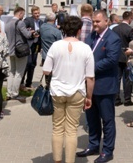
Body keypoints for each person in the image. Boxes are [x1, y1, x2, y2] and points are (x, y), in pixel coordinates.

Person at [43, 16, 94, 163]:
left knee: (58, 128)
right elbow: (90, 77)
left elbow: (46, 70)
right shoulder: (85, 48)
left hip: (57, 91)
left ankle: (57, 160)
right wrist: (89, 96)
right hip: (77, 92)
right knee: (72, 130)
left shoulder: (55, 46)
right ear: (79, 30)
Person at [77, 10, 121, 163]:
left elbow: (110, 60)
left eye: (98, 21)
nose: (95, 24)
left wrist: (89, 67)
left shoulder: (113, 38)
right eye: (94, 21)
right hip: (90, 87)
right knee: (92, 118)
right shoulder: (92, 37)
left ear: (106, 21)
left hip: (105, 86)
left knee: (107, 120)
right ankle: (93, 145)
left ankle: (107, 151)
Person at [5, 6, 33, 102]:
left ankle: (9, 92)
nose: (23, 16)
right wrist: (31, 32)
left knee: (11, 72)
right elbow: (27, 35)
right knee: (19, 73)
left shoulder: (8, 23)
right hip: (20, 50)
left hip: (10, 50)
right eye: (23, 14)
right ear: (20, 13)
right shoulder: (20, 23)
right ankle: (15, 93)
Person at [112, 10, 133, 106]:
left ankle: (116, 99)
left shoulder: (115, 29)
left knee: (116, 78)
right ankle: (127, 99)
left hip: (116, 55)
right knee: (127, 78)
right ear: (130, 18)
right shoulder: (130, 30)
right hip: (126, 56)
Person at [22, 5, 43, 90]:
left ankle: (29, 82)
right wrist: (30, 32)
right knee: (28, 63)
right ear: (32, 13)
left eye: (38, 13)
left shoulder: (41, 22)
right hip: (29, 44)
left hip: (36, 44)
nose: (37, 15)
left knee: (33, 64)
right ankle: (21, 82)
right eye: (35, 13)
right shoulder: (28, 20)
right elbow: (23, 29)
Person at [40, 13, 63, 89]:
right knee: (54, 75)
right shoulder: (57, 32)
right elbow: (60, 45)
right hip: (54, 56)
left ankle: (47, 88)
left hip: (45, 55)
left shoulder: (42, 27)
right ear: (55, 20)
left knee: (47, 74)